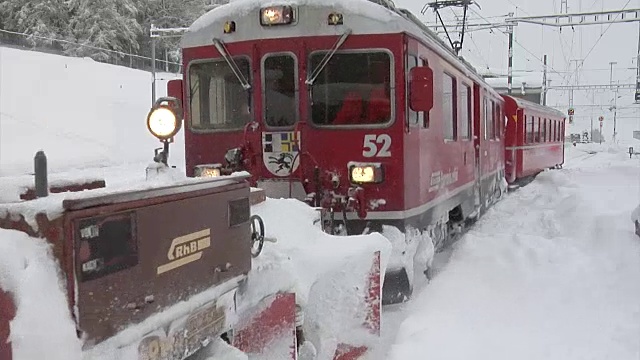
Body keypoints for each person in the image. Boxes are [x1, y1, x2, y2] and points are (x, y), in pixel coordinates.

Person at [333, 60, 390, 125]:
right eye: (361, 82)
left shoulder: (380, 98)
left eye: (367, 82)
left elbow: (386, 118)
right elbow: (339, 121)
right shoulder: (351, 99)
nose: (365, 85)